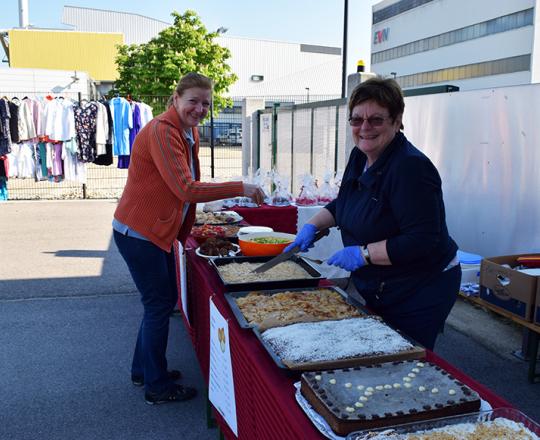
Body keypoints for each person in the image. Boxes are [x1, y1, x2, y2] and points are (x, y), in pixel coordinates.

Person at [112, 72, 265, 405]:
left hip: (154, 230)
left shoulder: (186, 130)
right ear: (176, 98)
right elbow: (186, 188)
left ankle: (144, 370)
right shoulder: (163, 131)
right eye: (193, 100)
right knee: (158, 306)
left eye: (206, 103)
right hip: (140, 232)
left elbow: (185, 182)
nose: (200, 108)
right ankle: (156, 385)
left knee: (159, 302)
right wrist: (240, 187)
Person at [286, 77, 460, 350]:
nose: (364, 128)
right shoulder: (360, 155)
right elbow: (344, 204)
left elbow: (423, 239)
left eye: (376, 120)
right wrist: (311, 226)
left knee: (401, 356)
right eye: (356, 120)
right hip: (382, 283)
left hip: (420, 286)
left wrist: (363, 253)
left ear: (397, 120)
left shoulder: (410, 168)